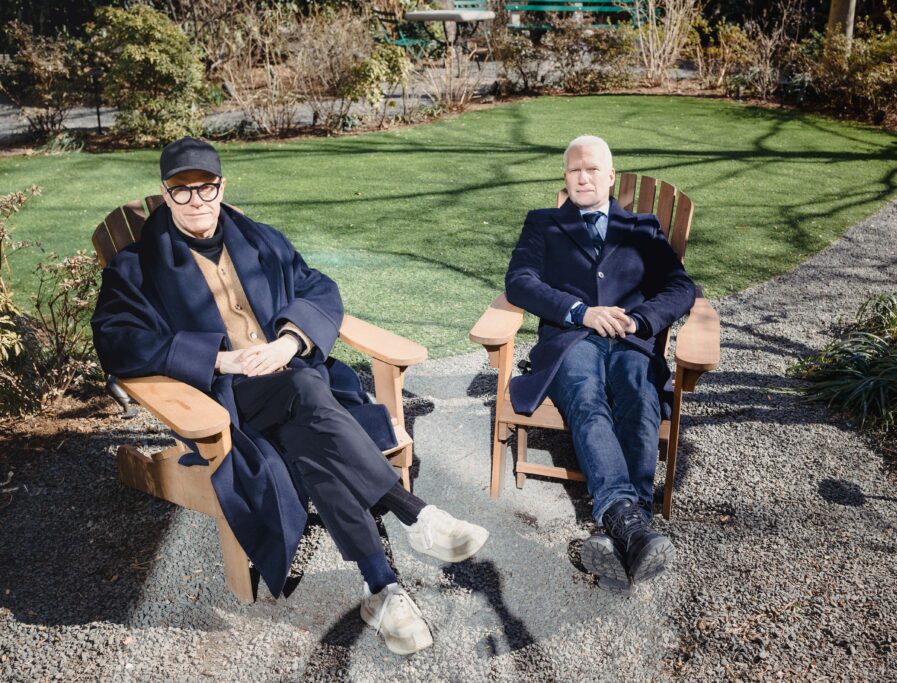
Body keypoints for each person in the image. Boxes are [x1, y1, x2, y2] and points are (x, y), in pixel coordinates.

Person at [92, 137, 488, 655]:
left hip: (291, 380)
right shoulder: (136, 266)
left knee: (307, 434)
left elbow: (319, 288)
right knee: (306, 391)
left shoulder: (258, 240)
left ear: (221, 187)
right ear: (165, 195)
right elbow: (118, 337)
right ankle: (412, 511)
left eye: (205, 188)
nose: (196, 202)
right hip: (225, 399)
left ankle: (381, 589)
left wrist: (288, 342)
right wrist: (218, 358)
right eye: (181, 191)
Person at [504, 135, 696, 591]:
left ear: (611, 178)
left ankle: (619, 527)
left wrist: (640, 320)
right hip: (571, 341)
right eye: (574, 170)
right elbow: (519, 281)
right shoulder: (544, 223)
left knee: (638, 396)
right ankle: (636, 526)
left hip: (631, 342)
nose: (583, 176)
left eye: (592, 169)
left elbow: (680, 287)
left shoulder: (644, 228)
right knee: (587, 400)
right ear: (565, 179)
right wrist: (580, 311)